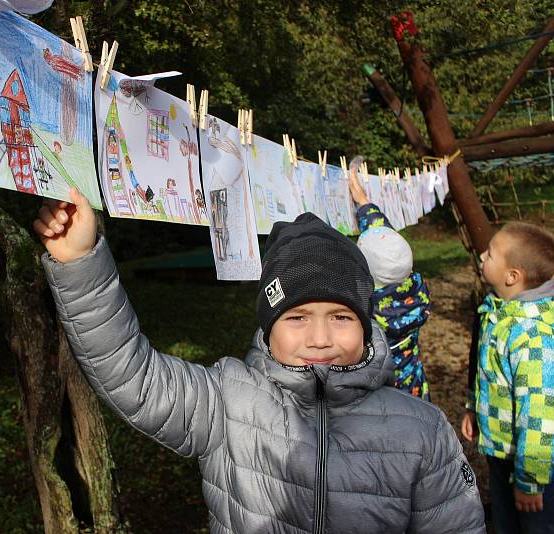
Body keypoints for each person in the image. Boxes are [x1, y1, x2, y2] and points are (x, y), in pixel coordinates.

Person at [34, 187, 484, 533]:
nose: (321, 338)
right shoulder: (228, 401)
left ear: (367, 323)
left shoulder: (422, 429)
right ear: (269, 327)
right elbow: (133, 377)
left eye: (342, 316)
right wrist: (80, 265)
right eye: (298, 317)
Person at [460, 222, 554, 533]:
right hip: (501, 450)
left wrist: (530, 481)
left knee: (533, 525)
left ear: (512, 276)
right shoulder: (498, 311)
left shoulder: (532, 337)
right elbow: (485, 366)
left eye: (491, 253)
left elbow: (539, 413)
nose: (483, 255)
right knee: (504, 521)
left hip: (533, 465)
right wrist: (474, 407)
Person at [348, 170, 432, 401]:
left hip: (381, 396)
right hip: (413, 386)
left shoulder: (366, 310)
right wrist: (364, 203)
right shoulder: (417, 290)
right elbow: (388, 251)